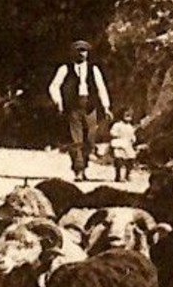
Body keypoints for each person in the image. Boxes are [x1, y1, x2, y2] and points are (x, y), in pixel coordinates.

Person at [48, 39, 112, 181]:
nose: (82, 54)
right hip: (73, 107)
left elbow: (101, 88)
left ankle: (84, 165)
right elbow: (54, 86)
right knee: (75, 140)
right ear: (73, 53)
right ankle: (78, 169)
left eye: (84, 51)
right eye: (79, 51)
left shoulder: (93, 69)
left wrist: (106, 107)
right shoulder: (65, 68)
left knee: (90, 140)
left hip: (90, 107)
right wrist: (58, 102)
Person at [109, 109, 139, 183]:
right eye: (126, 115)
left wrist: (133, 139)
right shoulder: (117, 125)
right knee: (119, 161)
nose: (128, 117)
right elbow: (112, 132)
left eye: (130, 116)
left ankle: (127, 174)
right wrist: (116, 135)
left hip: (128, 145)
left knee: (131, 160)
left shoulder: (130, 126)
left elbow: (132, 135)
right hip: (119, 144)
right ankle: (118, 175)